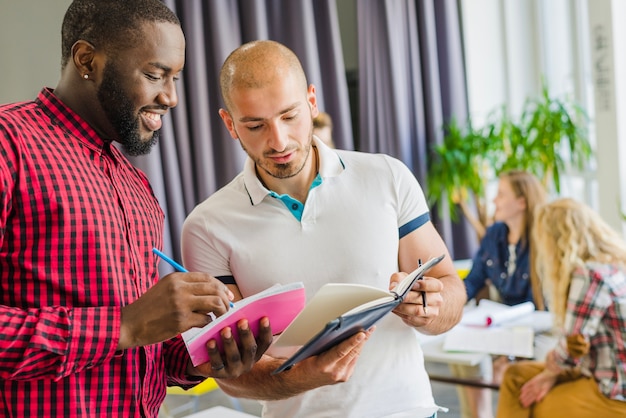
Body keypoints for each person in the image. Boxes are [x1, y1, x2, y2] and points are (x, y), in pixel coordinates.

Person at [0, 2, 271, 417]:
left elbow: (139, 352)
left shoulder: (137, 187)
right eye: (154, 74)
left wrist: (201, 357)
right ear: (87, 60)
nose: (171, 97)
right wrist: (125, 325)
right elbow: (127, 328)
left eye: (175, 78)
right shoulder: (9, 143)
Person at [181, 39, 467, 418]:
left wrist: (432, 306)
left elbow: (450, 287)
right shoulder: (207, 226)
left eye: (289, 116)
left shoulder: (387, 176)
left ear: (312, 102)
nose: (278, 141)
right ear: (230, 123)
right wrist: (301, 377)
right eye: (255, 125)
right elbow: (227, 370)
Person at [495, 198, 626, 417]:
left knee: (524, 397)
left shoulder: (589, 274)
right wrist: (551, 372)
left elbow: (573, 345)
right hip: (598, 371)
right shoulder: (614, 265)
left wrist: (548, 374)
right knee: (515, 375)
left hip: (612, 392)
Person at [451, 170, 548, 418]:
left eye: (501, 194)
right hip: (500, 324)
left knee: (510, 370)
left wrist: (508, 355)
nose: (494, 200)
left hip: (534, 328)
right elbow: (474, 280)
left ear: (522, 202)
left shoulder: (544, 239)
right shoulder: (494, 234)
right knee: (460, 354)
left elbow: (542, 307)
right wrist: (452, 298)